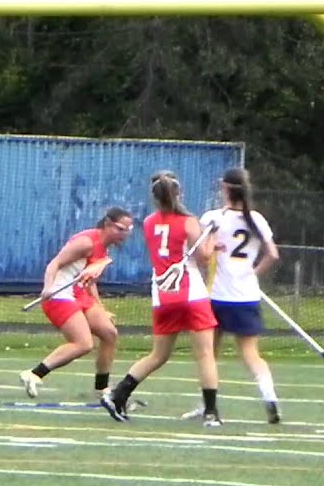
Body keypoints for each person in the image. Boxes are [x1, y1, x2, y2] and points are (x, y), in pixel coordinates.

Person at [101, 171, 223, 426]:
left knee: (158, 355)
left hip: (164, 295)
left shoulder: (148, 222)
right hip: (191, 293)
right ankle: (211, 412)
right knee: (205, 354)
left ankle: (118, 393)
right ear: (178, 194)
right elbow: (202, 257)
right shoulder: (189, 221)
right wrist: (212, 236)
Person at [182, 168, 283, 423]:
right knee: (251, 354)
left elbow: (200, 255)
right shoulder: (256, 219)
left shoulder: (214, 217)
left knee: (208, 355)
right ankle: (269, 396)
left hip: (215, 297)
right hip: (246, 296)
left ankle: (207, 406)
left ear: (224, 187)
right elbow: (272, 254)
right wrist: (253, 273)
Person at [20, 207, 134, 399]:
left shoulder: (104, 249)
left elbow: (89, 282)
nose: (125, 234)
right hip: (59, 295)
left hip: (78, 294)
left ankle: (101, 388)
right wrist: (47, 288)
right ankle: (33, 374)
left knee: (109, 333)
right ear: (107, 224)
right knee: (83, 343)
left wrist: (100, 308)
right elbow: (54, 264)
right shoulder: (86, 242)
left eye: (128, 230)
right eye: (120, 229)